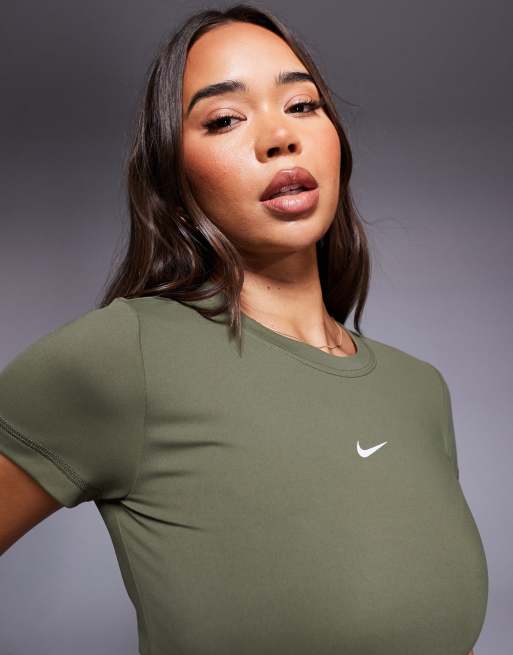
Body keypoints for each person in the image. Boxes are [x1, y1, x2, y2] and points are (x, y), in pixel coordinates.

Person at [0, 4, 487, 654]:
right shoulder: (124, 355)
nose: (279, 137)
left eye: (302, 106)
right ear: (172, 175)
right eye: (225, 119)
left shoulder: (418, 390)